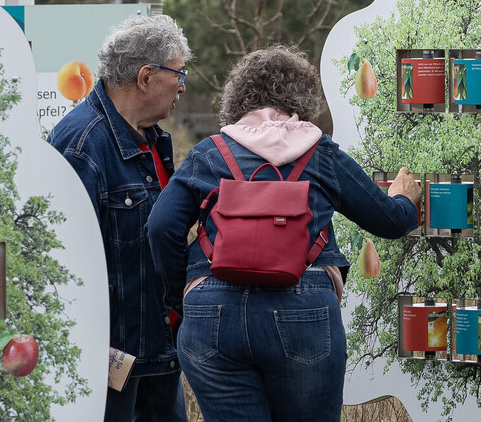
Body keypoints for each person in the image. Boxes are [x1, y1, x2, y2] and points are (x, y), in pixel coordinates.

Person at [147, 46, 423, 422]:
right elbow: (390, 222)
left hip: (212, 311)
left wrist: (181, 297)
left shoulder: (208, 154)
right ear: (301, 99)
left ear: (236, 100)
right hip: (304, 308)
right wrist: (404, 198)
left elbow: (160, 227)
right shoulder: (321, 154)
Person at [47, 15, 192, 422]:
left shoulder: (150, 139)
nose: (182, 87)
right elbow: (64, 266)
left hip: (155, 352)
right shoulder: (81, 146)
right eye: (178, 74)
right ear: (146, 77)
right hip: (110, 363)